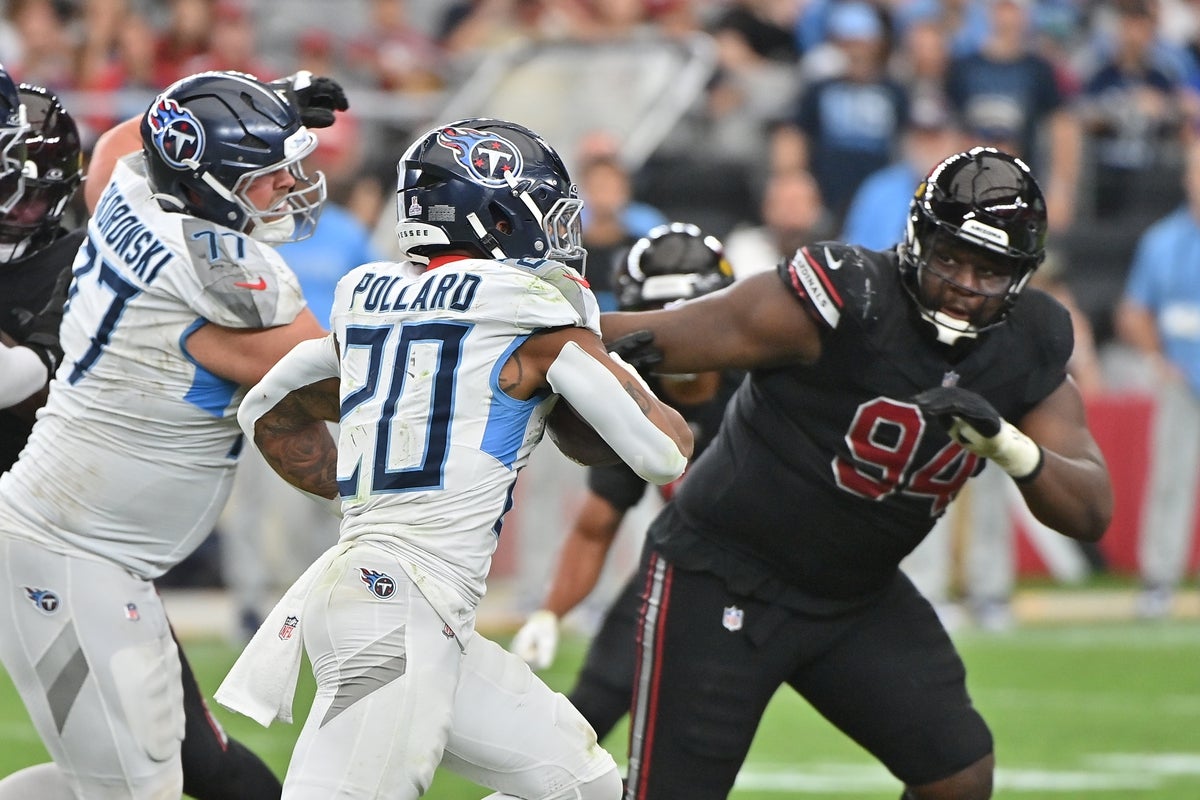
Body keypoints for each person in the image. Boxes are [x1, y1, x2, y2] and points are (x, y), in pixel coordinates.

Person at [600, 146, 1114, 799]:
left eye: (988, 270)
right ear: (917, 240)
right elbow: (679, 330)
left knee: (958, 777)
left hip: (854, 596)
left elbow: (1091, 509)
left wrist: (1011, 447)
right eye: (950, 257)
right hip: (724, 577)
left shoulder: (1027, 343)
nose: (964, 282)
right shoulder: (850, 295)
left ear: (1020, 277)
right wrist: (561, 335)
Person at [214, 117, 693, 800]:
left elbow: (267, 409)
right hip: (399, 609)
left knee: (582, 785)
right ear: (498, 215)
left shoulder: (368, 298)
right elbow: (665, 453)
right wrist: (611, 359)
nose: (561, 233)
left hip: (390, 595)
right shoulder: (533, 310)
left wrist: (358, 492)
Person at [0, 68, 347, 799]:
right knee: (132, 788)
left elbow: (127, 142)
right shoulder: (224, 274)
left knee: (140, 779)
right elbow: (348, 384)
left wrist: (262, 105)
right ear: (210, 183)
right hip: (75, 554)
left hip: (86, 550)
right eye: (267, 173)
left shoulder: (129, 191)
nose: (290, 184)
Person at [510, 222, 741, 742]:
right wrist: (550, 613)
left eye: (688, 315)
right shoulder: (639, 399)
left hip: (792, 575)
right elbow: (596, 525)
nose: (676, 333)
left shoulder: (764, 384)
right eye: (657, 317)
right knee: (593, 706)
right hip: (689, 565)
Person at [1115, 136, 1200, 619]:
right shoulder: (1162, 240)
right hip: (1182, 374)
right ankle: (1159, 579)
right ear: (1188, 179)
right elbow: (1134, 310)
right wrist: (1156, 358)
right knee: (1170, 479)